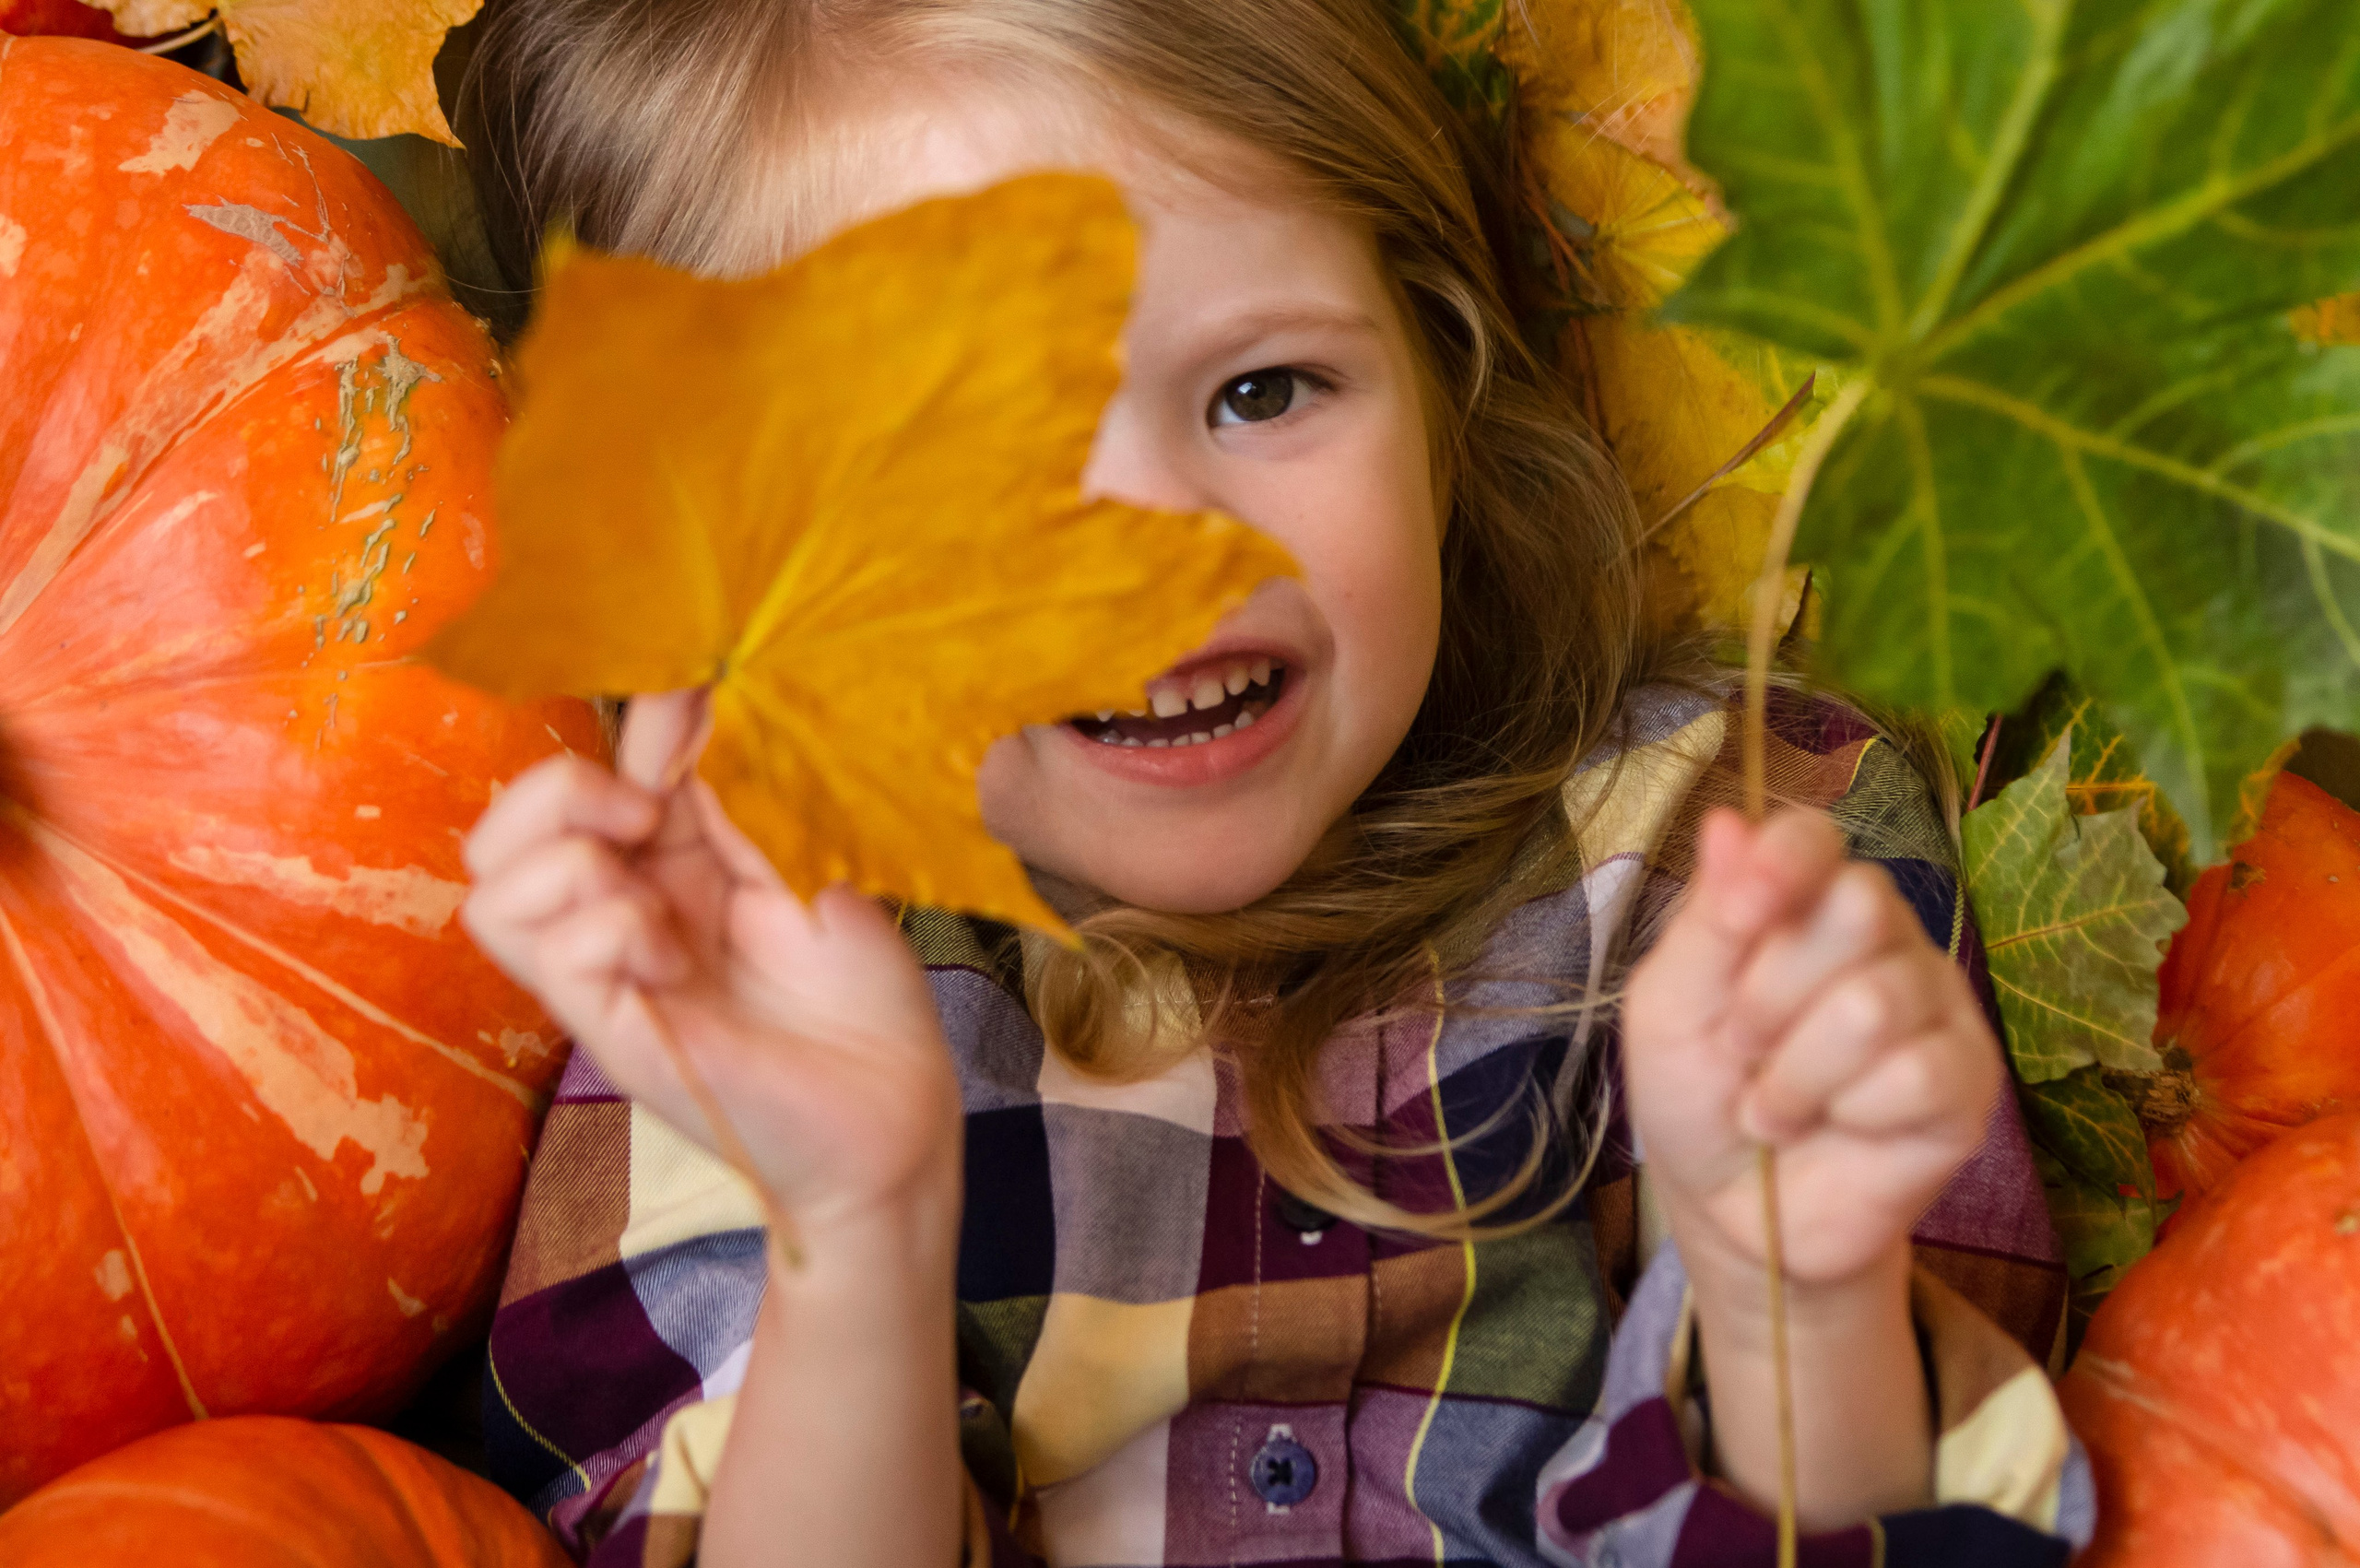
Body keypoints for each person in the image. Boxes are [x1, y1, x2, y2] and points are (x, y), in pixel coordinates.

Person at [452, 1, 2086, 1563]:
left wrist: (1794, 1297)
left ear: (1438, 378)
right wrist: (855, 1237)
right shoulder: (730, 996)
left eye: (1263, 390)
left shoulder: (1734, 856)